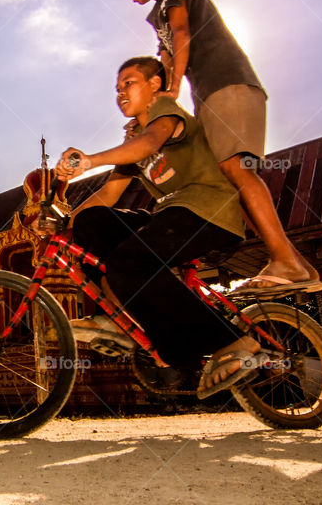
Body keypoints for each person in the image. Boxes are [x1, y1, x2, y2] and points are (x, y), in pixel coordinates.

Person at [121, 0, 322, 293]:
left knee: (236, 169)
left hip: (227, 82)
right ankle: (297, 265)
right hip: (209, 94)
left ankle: (286, 261)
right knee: (231, 179)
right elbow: (166, 61)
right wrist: (148, 114)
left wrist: (171, 90)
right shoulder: (158, 17)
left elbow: (183, 32)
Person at [54, 55, 263, 397]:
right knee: (90, 223)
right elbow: (108, 194)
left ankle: (233, 341)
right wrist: (64, 223)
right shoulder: (133, 139)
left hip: (209, 210)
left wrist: (90, 160)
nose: (120, 92)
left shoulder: (165, 112)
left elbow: (150, 144)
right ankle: (117, 320)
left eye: (129, 83)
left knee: (130, 262)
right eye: (117, 87)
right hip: (170, 216)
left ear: (154, 85)